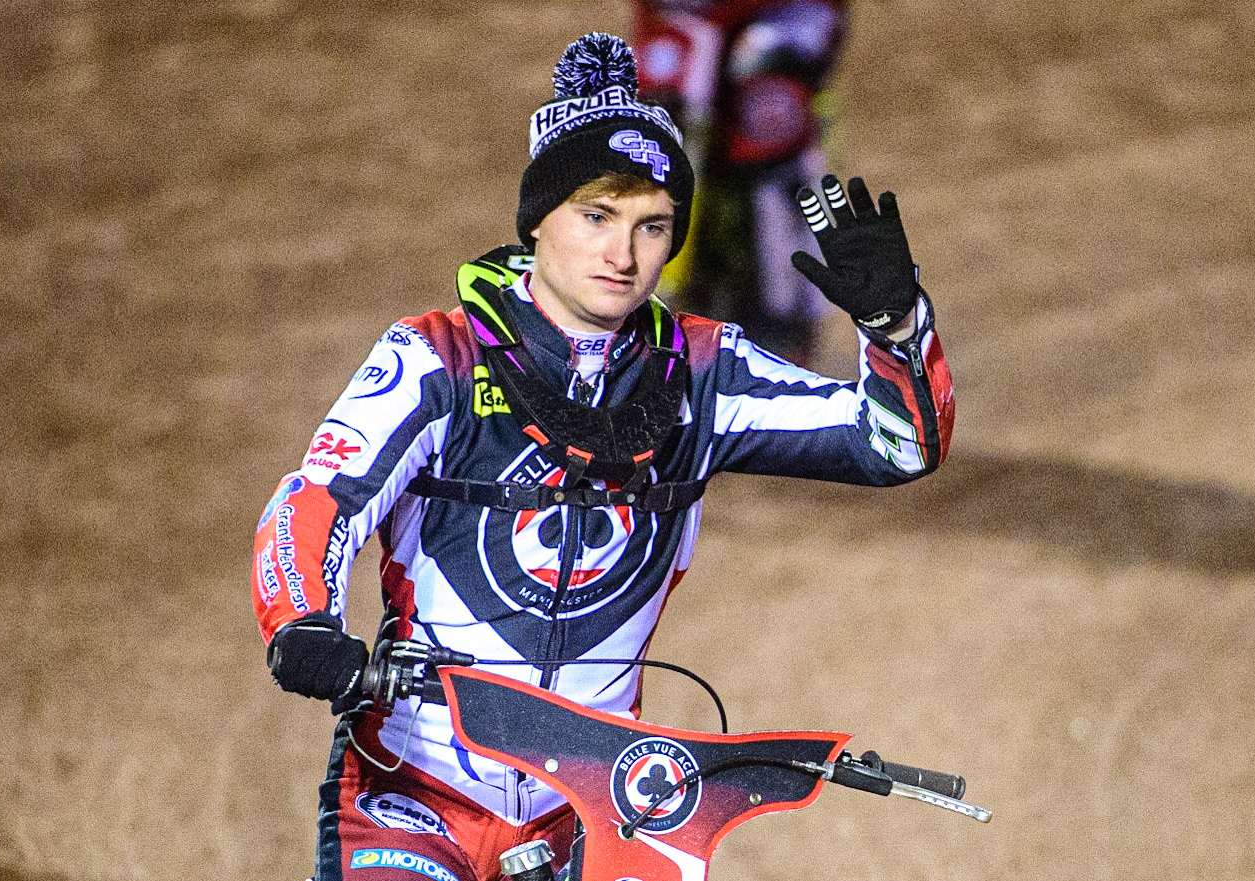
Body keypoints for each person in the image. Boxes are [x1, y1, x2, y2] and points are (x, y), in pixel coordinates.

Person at [252, 32, 953, 881]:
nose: (622, 255)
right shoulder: (436, 357)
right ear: (539, 218)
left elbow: (897, 442)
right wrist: (303, 621)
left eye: (651, 225)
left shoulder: (704, 371)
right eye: (595, 216)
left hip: (595, 813)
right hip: (409, 792)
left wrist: (898, 328)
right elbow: (316, 498)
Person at [629, 0, 851, 363]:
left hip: (783, 12)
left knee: (771, 127)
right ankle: (640, 311)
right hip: (682, 11)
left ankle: (783, 331)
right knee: (661, 133)